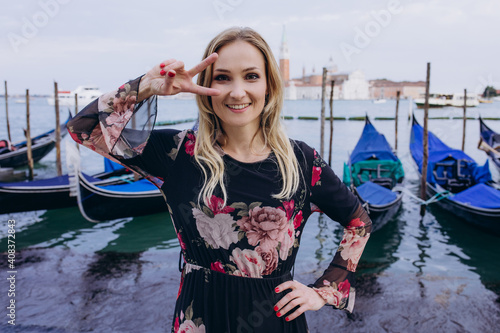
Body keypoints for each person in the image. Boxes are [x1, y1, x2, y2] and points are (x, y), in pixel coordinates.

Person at [68, 27, 372, 333]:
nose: (237, 92)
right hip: (201, 318)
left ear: (269, 85)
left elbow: (358, 222)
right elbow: (82, 128)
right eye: (222, 77)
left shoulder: (301, 162)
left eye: (251, 76)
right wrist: (147, 86)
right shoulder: (177, 153)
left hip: (274, 321)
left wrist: (324, 291)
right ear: (205, 85)